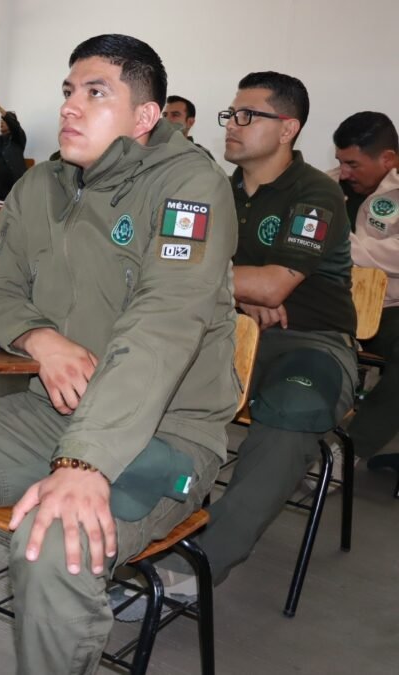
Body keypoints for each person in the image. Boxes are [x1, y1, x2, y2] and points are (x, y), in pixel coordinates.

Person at [0, 34, 239, 675]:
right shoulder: (45, 184)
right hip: (50, 411)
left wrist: (86, 460)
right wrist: (39, 338)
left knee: (56, 542)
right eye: (68, 91)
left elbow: (164, 327)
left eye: (96, 93)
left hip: (163, 433)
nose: (71, 108)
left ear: (145, 117)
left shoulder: (190, 188)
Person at [153, 72, 357, 594]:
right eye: (231, 114)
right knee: (145, 381)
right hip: (225, 329)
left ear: (287, 127)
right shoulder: (212, 192)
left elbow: (272, 287)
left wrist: (247, 289)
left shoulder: (317, 193)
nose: (232, 125)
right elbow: (161, 267)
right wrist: (243, 295)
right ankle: (134, 527)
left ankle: (192, 569)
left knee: (294, 408)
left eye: (248, 115)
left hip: (310, 340)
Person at [330, 111, 399, 471]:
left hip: (390, 310)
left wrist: (340, 244)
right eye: (340, 161)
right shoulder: (324, 186)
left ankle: (350, 452)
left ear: (387, 159)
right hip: (329, 303)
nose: (344, 172)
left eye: (353, 164)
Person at [163, 95, 213, 159]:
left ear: (190, 122)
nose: (167, 119)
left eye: (175, 115)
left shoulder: (200, 155)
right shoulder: (152, 149)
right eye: (165, 115)